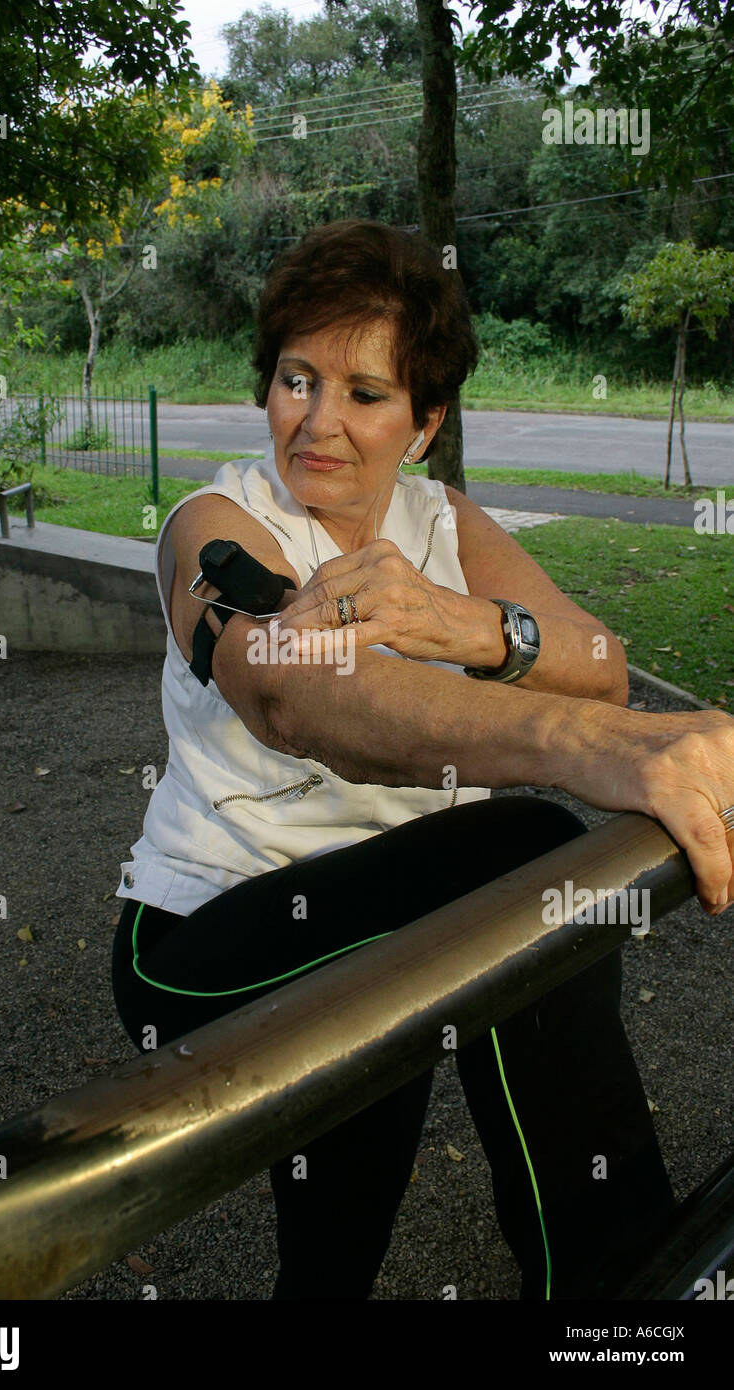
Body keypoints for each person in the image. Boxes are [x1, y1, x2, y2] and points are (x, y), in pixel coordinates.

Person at [111, 219, 734, 1301]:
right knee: (523, 849)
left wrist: (477, 627)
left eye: (364, 393)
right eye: (295, 379)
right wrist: (598, 752)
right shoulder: (214, 520)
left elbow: (597, 660)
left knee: (337, 1222)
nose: (316, 421)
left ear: (426, 418)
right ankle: (623, 1287)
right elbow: (287, 690)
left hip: (399, 931)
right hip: (207, 940)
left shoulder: (438, 514)